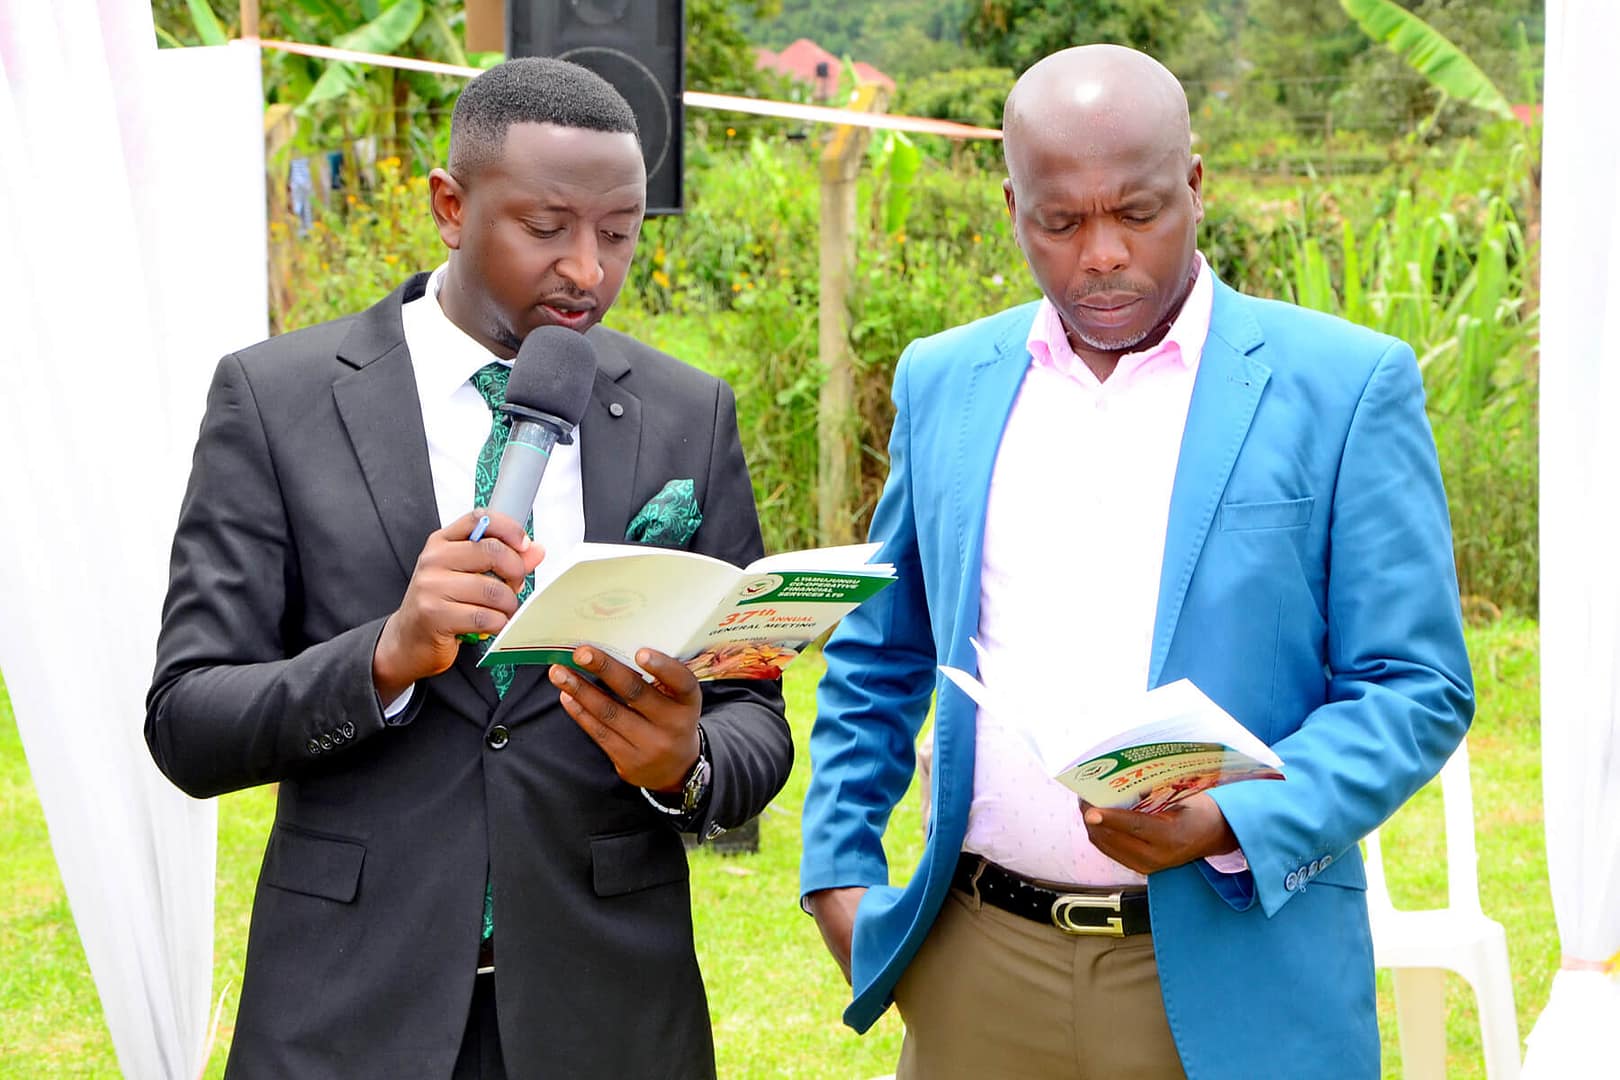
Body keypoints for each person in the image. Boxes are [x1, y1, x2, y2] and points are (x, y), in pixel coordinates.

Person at [798, 44, 1473, 1079]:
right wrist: (838, 867)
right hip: (980, 963)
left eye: (1139, 213)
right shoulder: (946, 381)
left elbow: (1415, 686)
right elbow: (881, 649)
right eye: (1060, 223)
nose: (1102, 254)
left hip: (1240, 969)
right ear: (1013, 208)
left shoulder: (1345, 387)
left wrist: (1231, 816)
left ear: (1196, 185)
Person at [146, 57, 792, 1080]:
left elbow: (753, 712)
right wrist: (385, 658)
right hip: (346, 1017)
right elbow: (189, 720)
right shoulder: (276, 401)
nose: (587, 269)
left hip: (610, 1020)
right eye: (547, 228)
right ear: (450, 206)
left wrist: (687, 762)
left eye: (619, 233)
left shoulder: (687, 413)